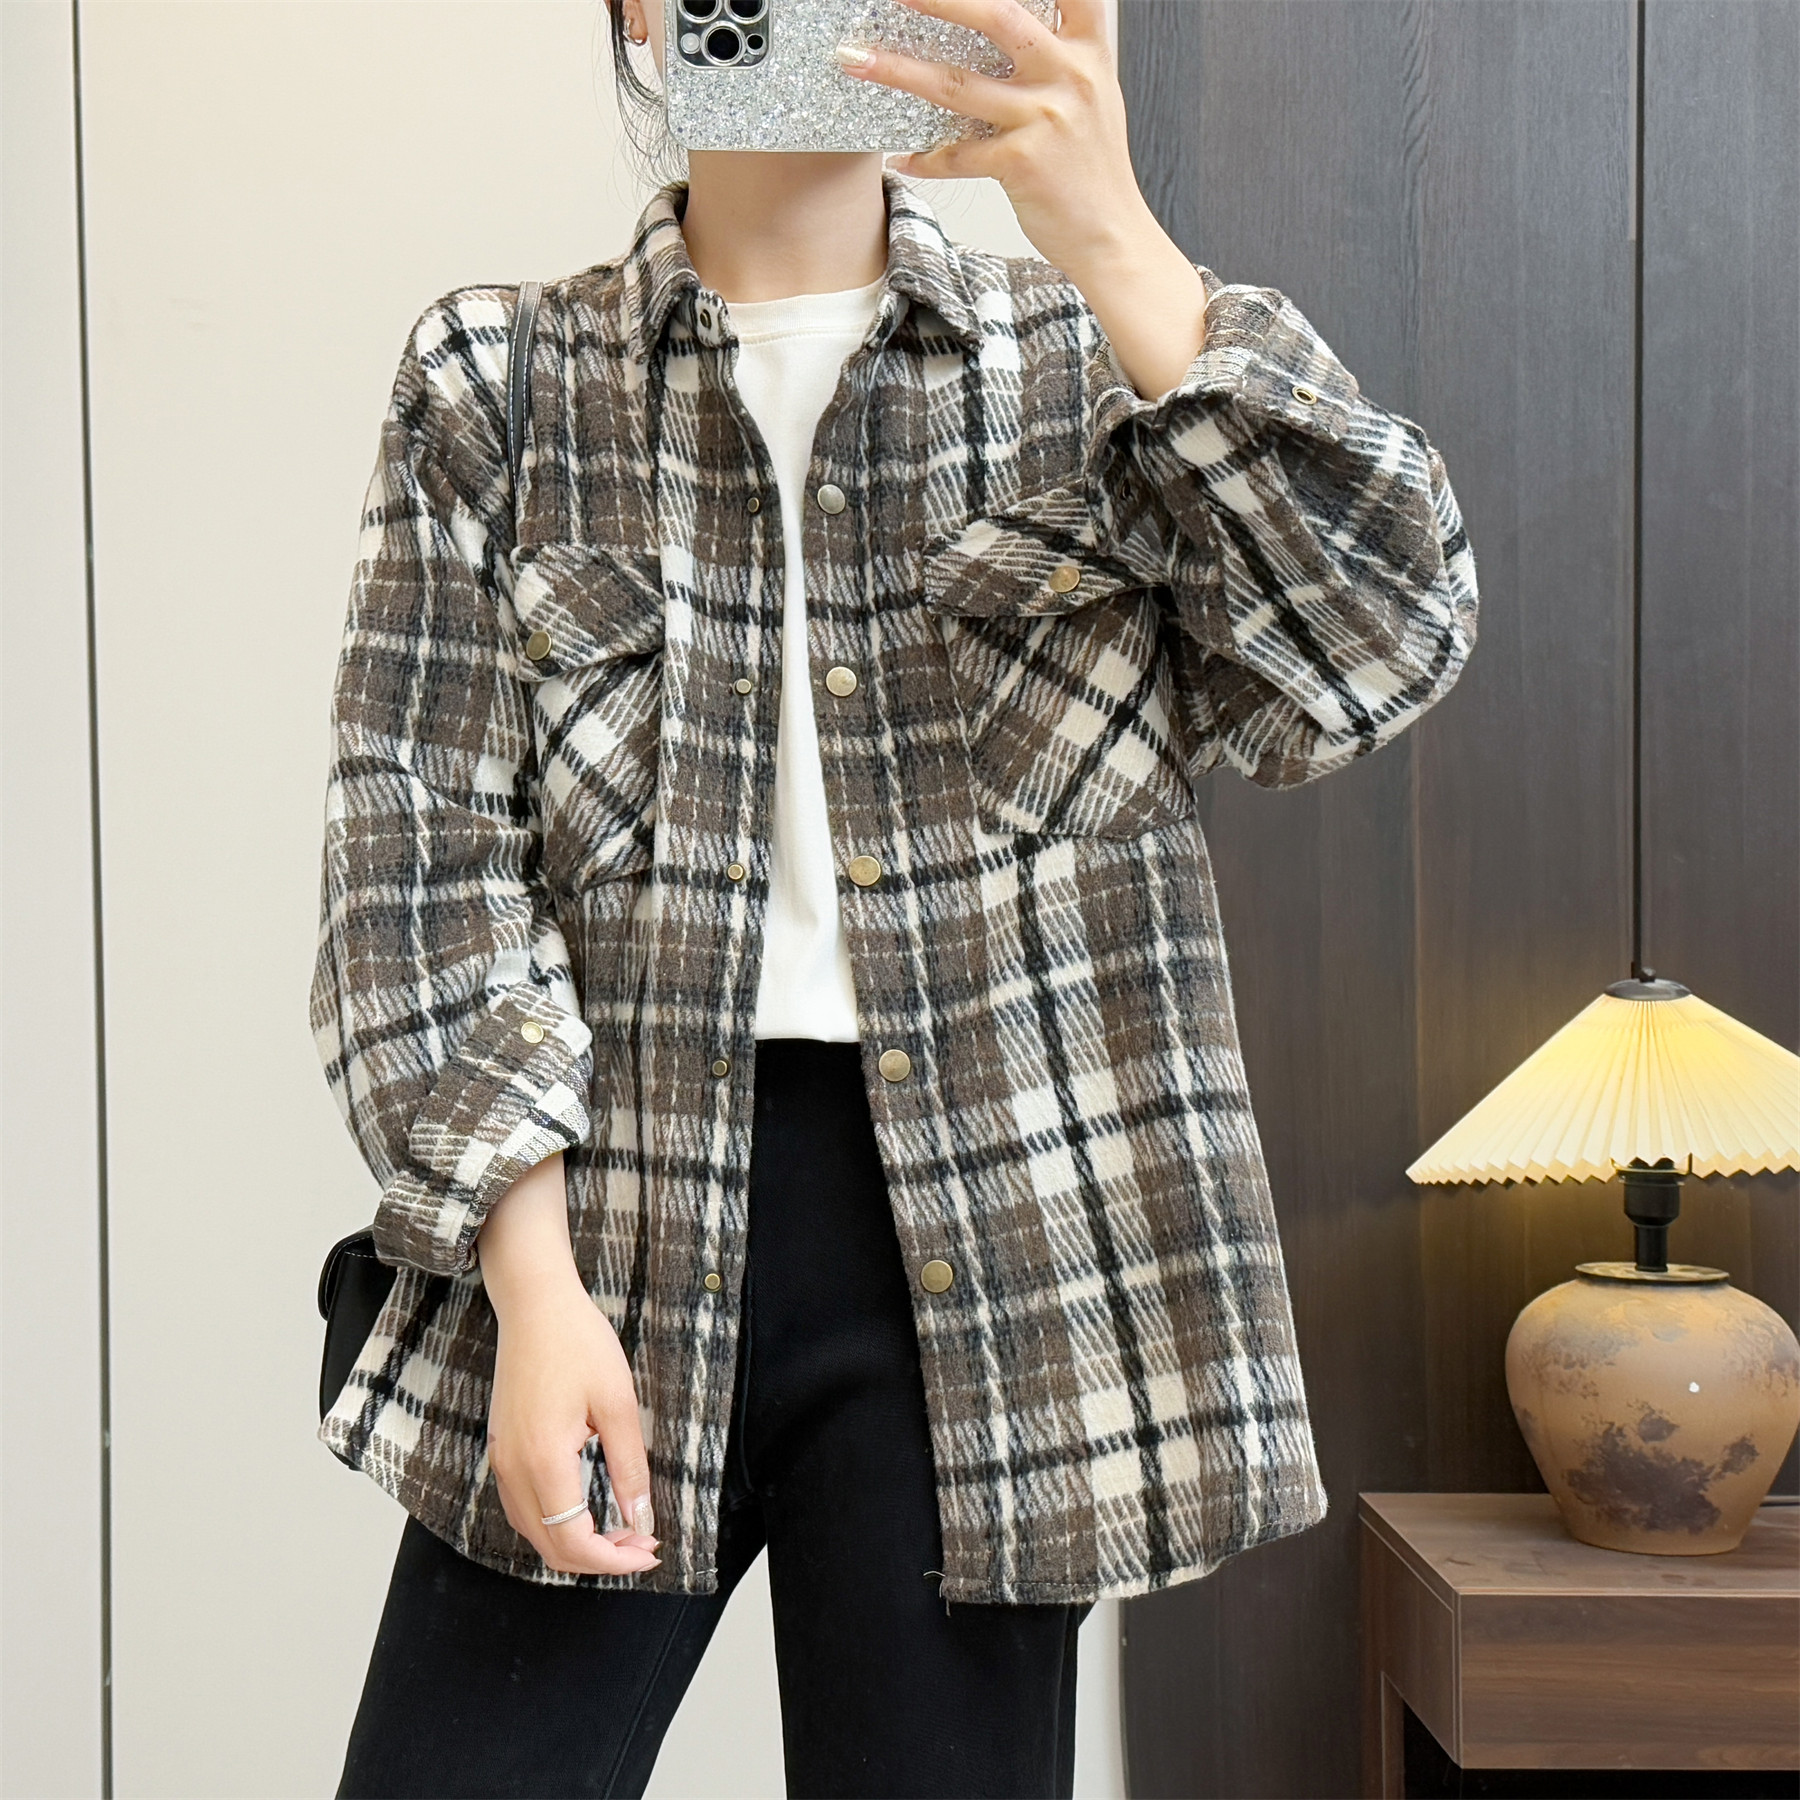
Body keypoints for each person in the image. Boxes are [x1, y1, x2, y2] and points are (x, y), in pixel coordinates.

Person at [313, 0, 1479, 1794]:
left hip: (1005, 1245)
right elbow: (419, 857)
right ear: (650, 15)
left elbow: (1373, 655)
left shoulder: (1097, 360)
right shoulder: (499, 380)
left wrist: (1114, 233)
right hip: (603, 1219)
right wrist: (530, 1283)